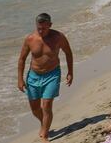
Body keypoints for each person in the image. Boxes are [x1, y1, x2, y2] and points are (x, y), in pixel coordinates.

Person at [17, 13, 74, 141]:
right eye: (39, 28)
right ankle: (44, 123)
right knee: (35, 108)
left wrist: (70, 72)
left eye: (44, 28)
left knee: (47, 104)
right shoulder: (30, 39)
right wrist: (20, 79)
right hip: (33, 76)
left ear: (50, 25)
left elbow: (68, 53)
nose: (41, 31)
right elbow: (22, 59)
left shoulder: (58, 37)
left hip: (52, 74)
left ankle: (45, 135)